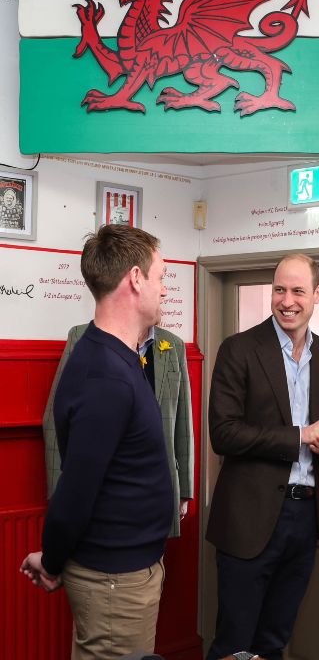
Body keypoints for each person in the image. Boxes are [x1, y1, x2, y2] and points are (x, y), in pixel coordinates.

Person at [20, 225, 174, 660]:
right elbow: (76, 489)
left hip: (124, 574)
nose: (164, 289)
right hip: (115, 583)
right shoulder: (105, 374)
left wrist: (53, 555)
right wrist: (52, 560)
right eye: (161, 277)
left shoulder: (118, 357)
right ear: (135, 279)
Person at [205, 253, 319, 660]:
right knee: (234, 644)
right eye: (279, 290)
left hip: (304, 521)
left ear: (316, 295)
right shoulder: (238, 350)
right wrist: (303, 436)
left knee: (274, 641)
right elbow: (223, 433)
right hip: (247, 520)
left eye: (297, 291)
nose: (287, 301)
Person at [43, 320, 194, 538]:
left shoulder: (174, 345)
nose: (164, 291)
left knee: (152, 567)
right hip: (100, 490)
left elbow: (183, 420)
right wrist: (60, 492)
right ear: (134, 286)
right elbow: (55, 418)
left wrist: (184, 490)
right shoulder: (82, 337)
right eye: (158, 283)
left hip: (157, 489)